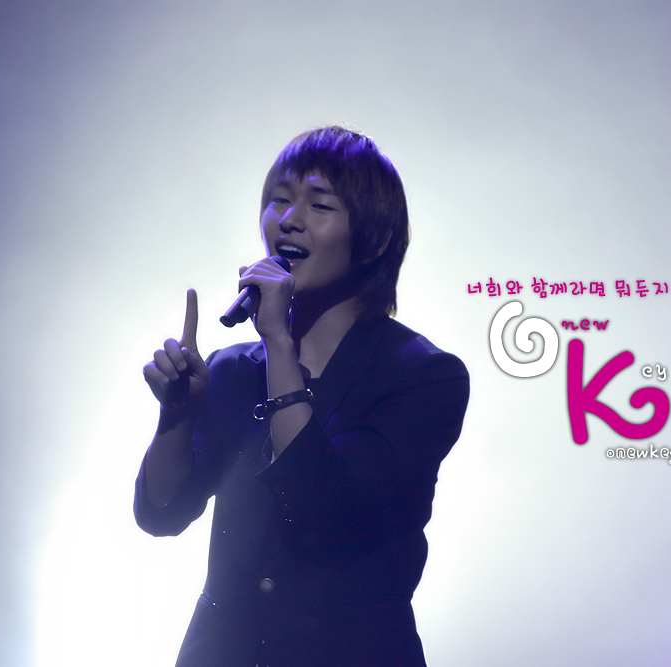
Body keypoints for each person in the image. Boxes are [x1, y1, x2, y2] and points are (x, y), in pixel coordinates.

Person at [134, 126, 470, 667]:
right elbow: (162, 514)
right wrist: (176, 416)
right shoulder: (232, 370)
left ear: (374, 239)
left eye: (320, 205)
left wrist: (278, 344)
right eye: (280, 199)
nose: (290, 219)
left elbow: (327, 513)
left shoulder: (422, 377)